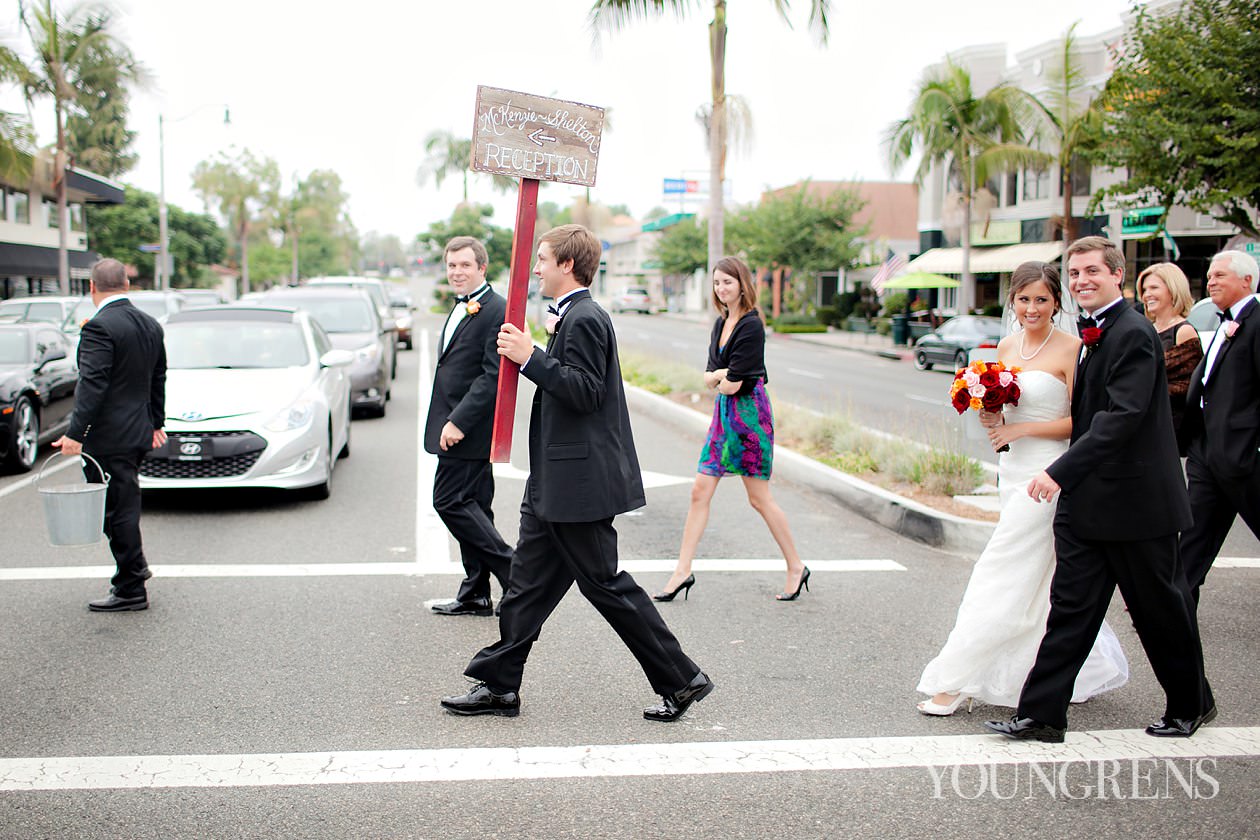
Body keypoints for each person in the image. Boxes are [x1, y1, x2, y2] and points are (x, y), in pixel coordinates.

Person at [440, 224, 713, 722]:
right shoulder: (572, 315)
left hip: (577, 485)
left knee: (605, 584)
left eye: (542, 259)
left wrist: (531, 359)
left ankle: (682, 678)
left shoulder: (586, 317)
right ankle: (499, 685)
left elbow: (586, 391)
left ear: (567, 264)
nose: (536, 268)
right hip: (554, 479)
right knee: (525, 583)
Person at [985, 236, 1214, 743]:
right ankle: (1042, 715)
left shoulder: (1132, 333)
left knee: (1160, 612)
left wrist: (1060, 471)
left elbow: (1122, 418)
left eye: (1092, 271)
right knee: (1070, 608)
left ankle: (1192, 703)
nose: (1082, 280)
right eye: (1074, 273)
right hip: (1089, 502)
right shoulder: (1095, 333)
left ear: (1117, 275)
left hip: (1137, 505)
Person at [916, 261, 1128, 715]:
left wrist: (1021, 432)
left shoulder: (1072, 350)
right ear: (1012, 301)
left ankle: (955, 678)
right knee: (1037, 576)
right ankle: (1040, 670)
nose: (1032, 308)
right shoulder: (1006, 346)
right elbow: (1001, 411)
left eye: (1042, 300)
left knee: (1000, 566)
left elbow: (1083, 423)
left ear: (1056, 303)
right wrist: (991, 415)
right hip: (1010, 474)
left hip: (1049, 475)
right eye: (1024, 299)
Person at [655, 256, 807, 603]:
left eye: (728, 281)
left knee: (759, 499)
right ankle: (682, 571)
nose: (722, 289)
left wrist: (723, 377)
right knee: (699, 491)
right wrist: (722, 376)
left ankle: (796, 566)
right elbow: (711, 375)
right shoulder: (720, 323)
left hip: (750, 418)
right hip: (723, 418)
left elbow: (732, 384)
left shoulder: (752, 326)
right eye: (717, 282)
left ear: (742, 284)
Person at [53, 258, 167, 612]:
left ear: (91, 287)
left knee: (114, 512)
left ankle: (131, 586)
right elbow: (158, 378)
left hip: (109, 437)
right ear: (127, 285)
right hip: (136, 431)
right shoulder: (150, 324)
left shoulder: (99, 327)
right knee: (122, 506)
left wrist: (75, 433)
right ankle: (134, 571)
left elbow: (93, 385)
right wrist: (156, 423)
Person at [425, 236, 512, 617]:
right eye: (452, 266)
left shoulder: (496, 309)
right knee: (475, 505)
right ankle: (476, 591)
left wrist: (457, 421)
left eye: (464, 265)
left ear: (482, 268)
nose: (457, 272)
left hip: (468, 427)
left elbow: (492, 377)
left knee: (449, 501)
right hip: (458, 422)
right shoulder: (464, 306)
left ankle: (514, 572)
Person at [1178, 250, 1260, 604]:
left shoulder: (1257, 321)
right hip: (1206, 454)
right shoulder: (1223, 323)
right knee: (1191, 543)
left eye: (1220, 276)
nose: (1210, 282)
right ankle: (1173, 611)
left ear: (1247, 281)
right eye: (1209, 276)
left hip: (1244, 456)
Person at [1137, 262, 1203, 441]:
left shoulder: (1183, 331)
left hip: (1173, 426)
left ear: (1172, 290)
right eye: (1144, 289)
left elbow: (1189, 386)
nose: (1147, 294)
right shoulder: (1146, 330)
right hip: (1143, 422)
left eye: (1154, 287)